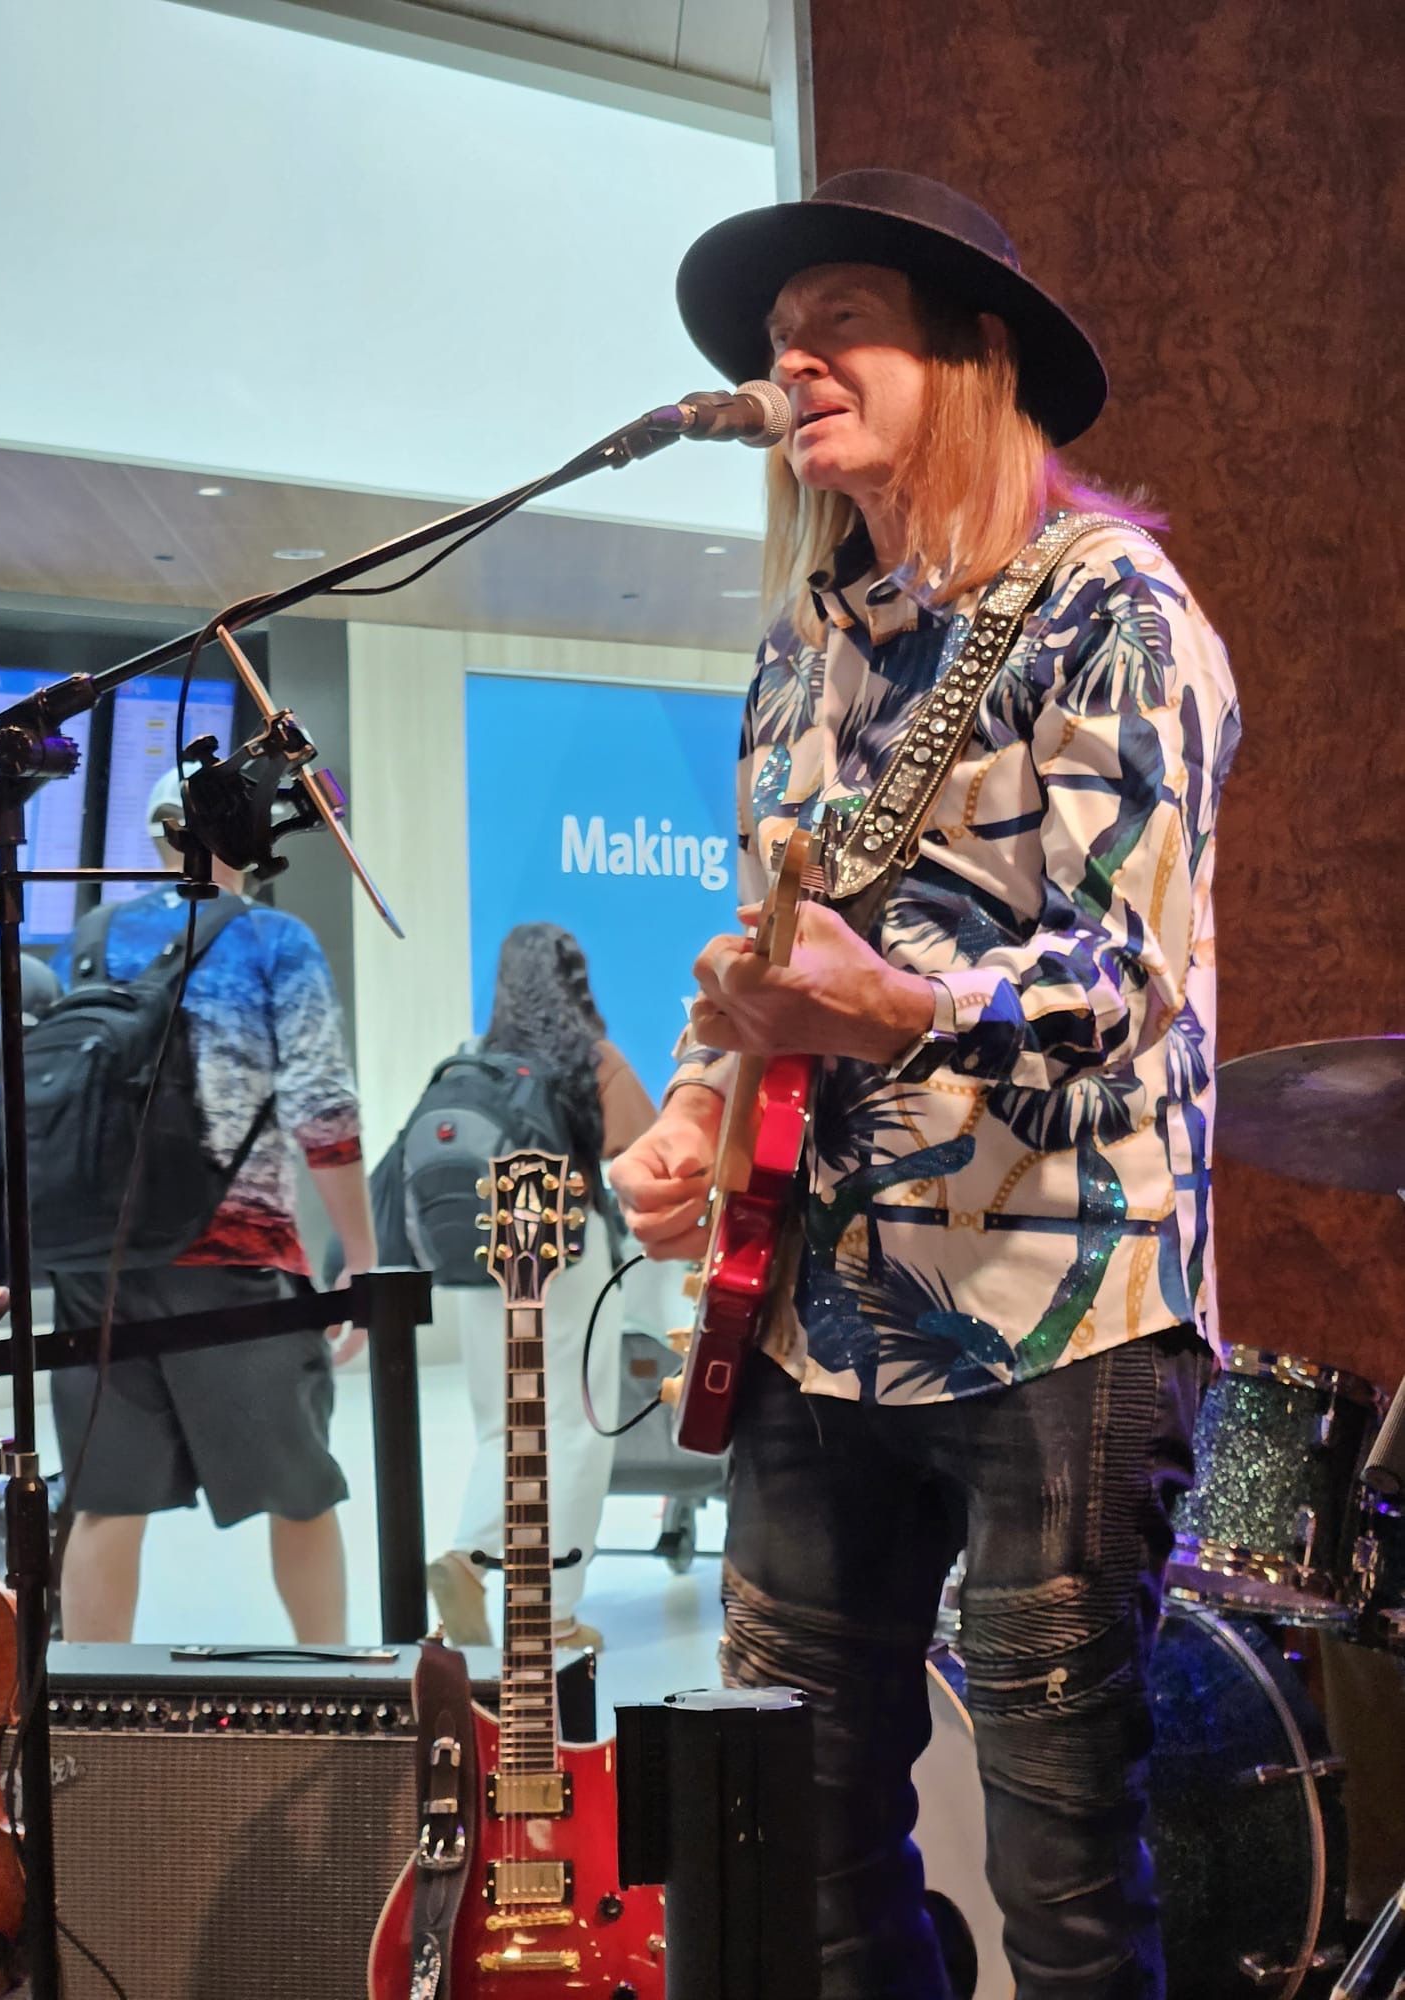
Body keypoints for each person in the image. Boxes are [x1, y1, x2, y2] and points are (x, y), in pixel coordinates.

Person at [611, 170, 1241, 1998]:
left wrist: (889, 1012)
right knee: (804, 1858)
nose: (790, 359)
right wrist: (691, 1112)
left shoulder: (1113, 610)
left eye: (840, 322)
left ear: (972, 356)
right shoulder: (806, 654)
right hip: (822, 1315)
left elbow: (1126, 979)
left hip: (1060, 1312)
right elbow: (762, 962)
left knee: (1060, 1882)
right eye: (775, 341)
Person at [51, 768, 378, 1644]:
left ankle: (91, 1724)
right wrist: (363, 1253)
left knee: (105, 1504)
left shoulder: (90, 938)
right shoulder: (275, 940)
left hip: (95, 1264)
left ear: (160, 837)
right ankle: (334, 1691)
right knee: (301, 1492)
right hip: (233, 1261)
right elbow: (323, 1109)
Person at [427, 922, 657, 1653]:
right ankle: (554, 1615)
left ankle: (468, 1554)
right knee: (575, 1430)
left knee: (504, 1426)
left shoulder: (475, 1059)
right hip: (564, 1247)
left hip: (484, 1250)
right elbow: (647, 1152)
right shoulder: (589, 1058)